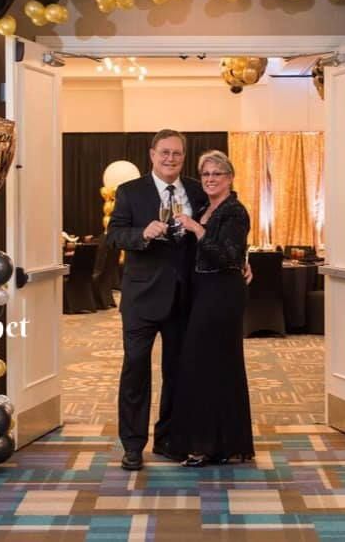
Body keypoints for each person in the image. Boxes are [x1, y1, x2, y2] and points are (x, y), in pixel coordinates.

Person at [106, 129, 206, 471]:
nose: (170, 159)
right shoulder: (129, 192)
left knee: (177, 373)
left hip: (184, 299)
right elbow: (114, 235)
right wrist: (141, 234)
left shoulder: (196, 189)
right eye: (164, 152)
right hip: (141, 299)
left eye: (177, 153)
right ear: (152, 154)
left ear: (183, 156)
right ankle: (132, 446)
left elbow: (215, 231)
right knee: (135, 370)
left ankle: (169, 440)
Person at [170, 150, 255, 466]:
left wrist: (197, 229)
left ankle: (210, 445)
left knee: (212, 367)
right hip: (204, 292)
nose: (210, 179)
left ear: (230, 177)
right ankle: (213, 442)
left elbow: (229, 256)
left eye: (217, 174)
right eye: (205, 174)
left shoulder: (234, 211)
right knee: (203, 367)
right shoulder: (206, 207)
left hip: (222, 295)